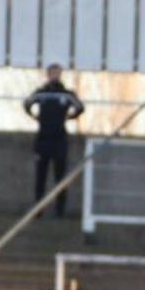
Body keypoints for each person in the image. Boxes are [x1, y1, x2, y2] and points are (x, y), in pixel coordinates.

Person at [23, 64, 84, 218]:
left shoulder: (66, 94)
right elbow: (27, 104)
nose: (55, 75)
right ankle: (38, 210)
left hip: (59, 139)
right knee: (40, 176)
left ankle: (60, 211)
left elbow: (80, 107)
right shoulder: (41, 93)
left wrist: (69, 117)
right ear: (48, 74)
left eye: (57, 73)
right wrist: (35, 117)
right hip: (43, 139)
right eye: (52, 73)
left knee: (60, 177)